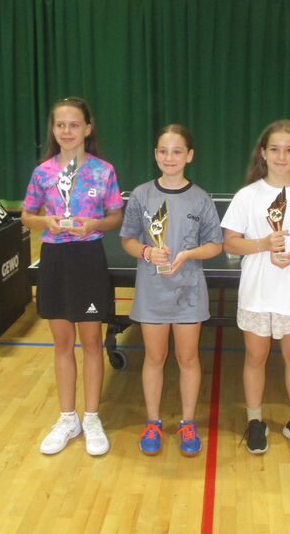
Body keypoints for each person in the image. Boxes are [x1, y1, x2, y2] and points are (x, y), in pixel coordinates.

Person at [220, 119, 290, 455]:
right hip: (257, 292)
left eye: (289, 150)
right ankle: (255, 421)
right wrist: (263, 244)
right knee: (255, 358)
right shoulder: (247, 196)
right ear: (263, 153)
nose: (281, 156)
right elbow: (230, 242)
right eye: (274, 149)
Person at [21, 97, 123, 456]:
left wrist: (94, 225)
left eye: (74, 124)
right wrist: (45, 221)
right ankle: (68, 418)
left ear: (87, 129)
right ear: (53, 129)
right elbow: (26, 215)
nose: (67, 131)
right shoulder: (42, 172)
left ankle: (92, 417)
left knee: (92, 342)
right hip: (54, 259)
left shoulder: (103, 171)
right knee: (62, 343)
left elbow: (115, 217)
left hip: (88, 258)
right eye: (60, 125)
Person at [120, 124, 223, 456]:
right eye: (163, 151)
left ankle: (188, 423)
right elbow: (127, 239)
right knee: (155, 357)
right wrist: (146, 252)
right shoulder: (141, 195)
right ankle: (153, 422)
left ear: (189, 156)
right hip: (152, 291)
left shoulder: (201, 198)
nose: (169, 157)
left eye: (177, 151)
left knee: (188, 358)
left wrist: (188, 255)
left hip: (188, 292)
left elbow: (216, 245)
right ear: (155, 155)